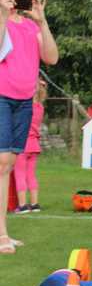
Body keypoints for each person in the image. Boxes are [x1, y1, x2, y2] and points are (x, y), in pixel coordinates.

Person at [0, 0, 58, 254]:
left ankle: (2, 232)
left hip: (24, 102)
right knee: (2, 163)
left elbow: (52, 57)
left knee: (8, 165)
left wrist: (42, 21)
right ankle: (1, 235)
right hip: (1, 98)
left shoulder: (30, 27)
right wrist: (2, 15)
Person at [13, 78, 47, 213]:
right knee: (31, 175)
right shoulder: (40, 108)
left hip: (22, 145)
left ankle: (22, 206)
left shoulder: (24, 108)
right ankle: (35, 204)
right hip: (34, 145)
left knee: (20, 175)